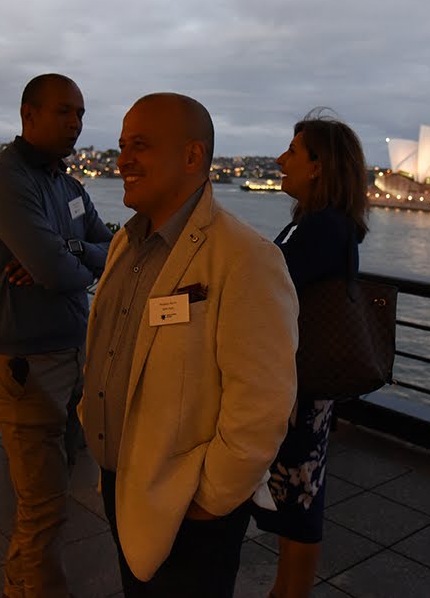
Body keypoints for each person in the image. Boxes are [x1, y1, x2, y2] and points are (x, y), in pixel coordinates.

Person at [79, 92, 299, 597]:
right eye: (121, 145)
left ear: (192, 156)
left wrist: (211, 500)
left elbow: (263, 405)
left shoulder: (246, 258)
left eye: (140, 145)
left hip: (189, 506)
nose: (123, 160)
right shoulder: (124, 245)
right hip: (121, 479)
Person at [0, 73, 113, 598]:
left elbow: (108, 247)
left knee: (46, 502)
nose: (75, 123)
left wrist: (69, 251)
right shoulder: (5, 180)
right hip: (25, 368)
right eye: (64, 112)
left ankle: (17, 585)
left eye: (80, 113)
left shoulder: (67, 185)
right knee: (45, 508)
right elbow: (55, 273)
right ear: (29, 114)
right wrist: (66, 257)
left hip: (72, 355)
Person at [252, 110, 370, 598]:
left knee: (299, 499)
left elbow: (267, 287)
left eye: (293, 152)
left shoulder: (323, 227)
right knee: (297, 493)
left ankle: (291, 592)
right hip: (301, 383)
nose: (281, 160)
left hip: (301, 386)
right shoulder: (319, 224)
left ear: (319, 166)